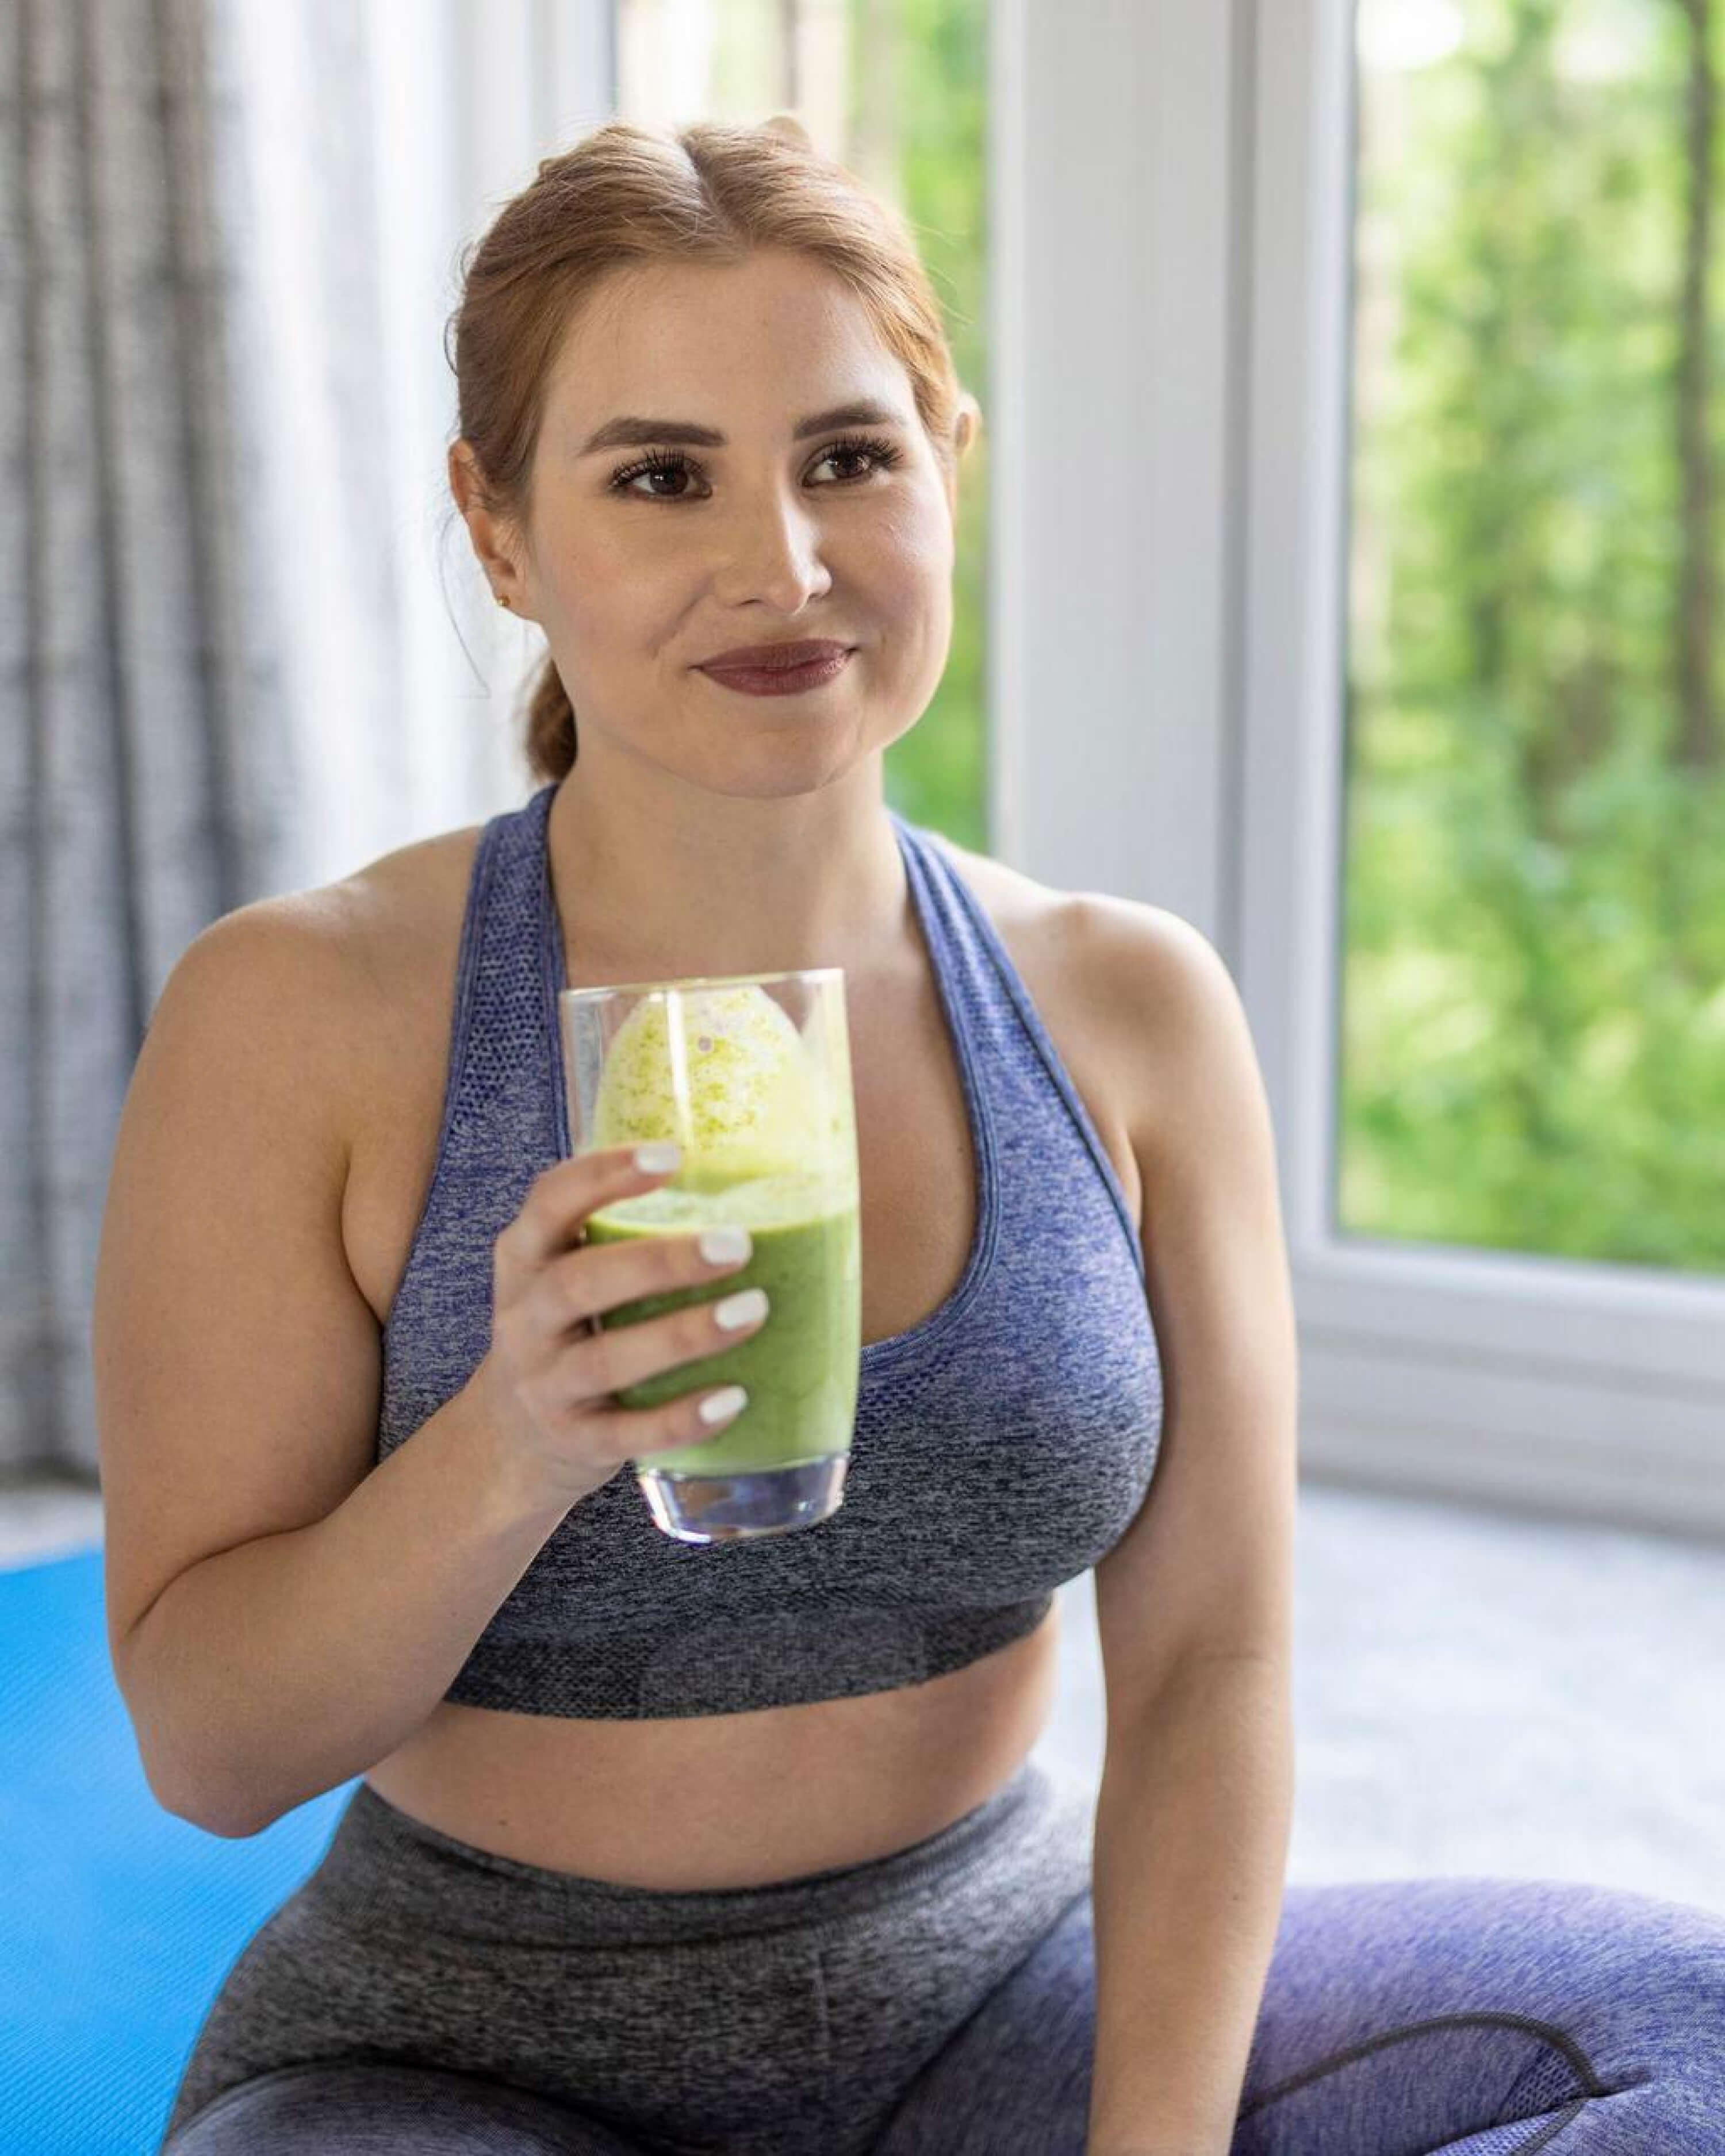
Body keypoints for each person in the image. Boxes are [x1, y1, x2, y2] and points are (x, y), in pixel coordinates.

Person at [93, 114, 1724, 2156]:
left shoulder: (1127, 1006)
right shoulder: (302, 1011)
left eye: (848, 457)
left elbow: (1212, 1668)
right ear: (500, 532)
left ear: (946, 463)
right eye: (661, 475)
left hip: (1004, 2004)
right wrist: (510, 1442)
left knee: (1687, 2036)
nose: (780, 563)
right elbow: (213, 1750)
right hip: (458, 2059)